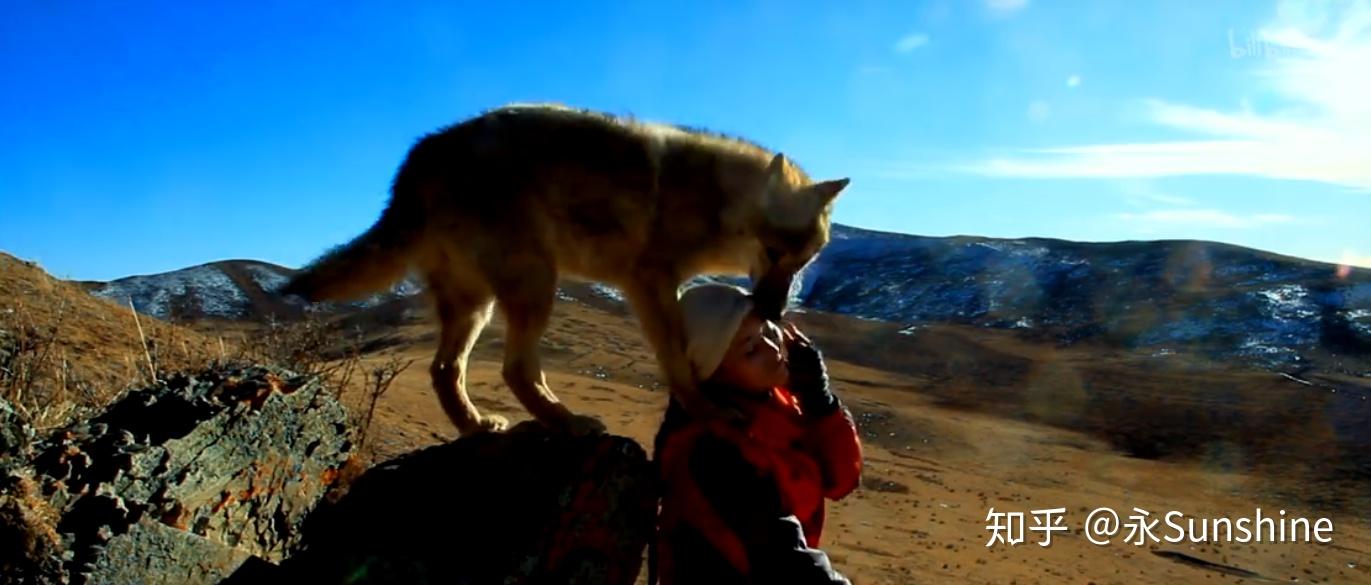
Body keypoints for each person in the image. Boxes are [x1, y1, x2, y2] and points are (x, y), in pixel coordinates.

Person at [648, 283, 863, 584]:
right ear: (712, 373)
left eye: (768, 331)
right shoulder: (714, 451)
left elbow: (840, 481)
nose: (774, 349)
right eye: (751, 350)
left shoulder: (774, 407)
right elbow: (783, 563)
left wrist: (820, 401)